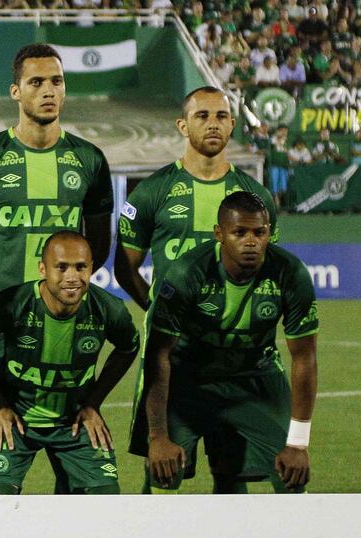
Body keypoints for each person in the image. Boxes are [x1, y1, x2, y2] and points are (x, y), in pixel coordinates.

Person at [0, 43, 114, 495]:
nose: (48, 91)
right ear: (15, 91)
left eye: (56, 81)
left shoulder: (89, 160)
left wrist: (67, 294)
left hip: (65, 327)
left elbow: (99, 244)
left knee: (73, 452)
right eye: (36, 82)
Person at [115, 86, 275, 494]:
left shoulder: (256, 198)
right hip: (173, 358)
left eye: (221, 116)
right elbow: (125, 268)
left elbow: (266, 272)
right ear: (183, 125)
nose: (213, 124)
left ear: (233, 125)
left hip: (233, 359)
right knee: (163, 474)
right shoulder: (153, 191)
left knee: (232, 476)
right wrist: (159, 311)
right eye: (202, 116)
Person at [144, 192, 318, 494]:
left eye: (259, 233)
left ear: (269, 233)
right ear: (219, 233)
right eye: (240, 233)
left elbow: (305, 357)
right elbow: (158, 353)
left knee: (292, 473)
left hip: (256, 376)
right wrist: (158, 437)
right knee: (164, 473)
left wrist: (299, 442)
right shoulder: (188, 272)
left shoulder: (290, 273)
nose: (251, 242)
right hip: (191, 378)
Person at [0, 232, 138, 494]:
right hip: (16, 422)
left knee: (106, 497)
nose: (72, 277)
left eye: (81, 267)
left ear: (92, 268)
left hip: (74, 423)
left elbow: (128, 347)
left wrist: (93, 403)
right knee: (0, 500)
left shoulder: (108, 308)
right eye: (62, 267)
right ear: (43, 269)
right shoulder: (14, 303)